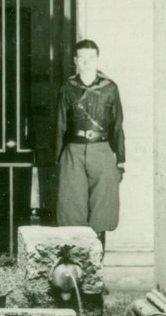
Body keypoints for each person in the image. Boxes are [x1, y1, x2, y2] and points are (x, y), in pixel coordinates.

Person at [54, 38, 125, 250]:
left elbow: (118, 125)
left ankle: (97, 268)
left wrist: (120, 161)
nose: (86, 63)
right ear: (76, 60)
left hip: (101, 150)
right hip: (73, 151)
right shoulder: (67, 88)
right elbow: (60, 125)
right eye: (82, 58)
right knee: (71, 207)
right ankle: (77, 269)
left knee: (102, 210)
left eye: (91, 58)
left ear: (97, 59)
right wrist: (57, 160)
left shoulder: (110, 88)